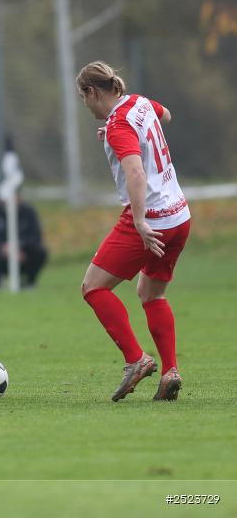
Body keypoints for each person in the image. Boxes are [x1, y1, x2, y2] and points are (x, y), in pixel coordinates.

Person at [77, 61, 190, 402]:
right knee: (151, 293)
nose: (84, 104)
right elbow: (165, 115)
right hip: (179, 216)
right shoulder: (138, 103)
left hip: (151, 219)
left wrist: (140, 221)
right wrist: (118, 133)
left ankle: (136, 360)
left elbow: (136, 173)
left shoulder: (118, 125)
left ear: (93, 92)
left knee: (92, 288)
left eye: (83, 97)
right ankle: (170, 371)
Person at [0, 189, 48, 288]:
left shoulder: (29, 213)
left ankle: (30, 283)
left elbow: (35, 237)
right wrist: (3, 249)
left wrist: (20, 247)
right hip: (2, 257)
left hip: (24, 255)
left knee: (40, 252)